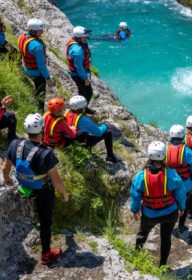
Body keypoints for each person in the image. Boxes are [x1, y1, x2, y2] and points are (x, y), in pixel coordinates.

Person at [2, 113, 69, 265]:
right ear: (42, 130)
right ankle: (46, 254)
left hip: (23, 185)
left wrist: (7, 178)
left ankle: (46, 251)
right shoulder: (46, 153)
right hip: (43, 192)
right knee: (45, 223)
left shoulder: (15, 144)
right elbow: (56, 180)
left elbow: (6, 167)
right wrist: (64, 193)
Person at [130, 141, 185, 267]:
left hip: (149, 215)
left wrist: (135, 211)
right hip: (170, 213)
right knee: (166, 239)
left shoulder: (140, 177)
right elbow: (180, 194)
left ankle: (135, 257)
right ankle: (163, 266)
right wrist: (181, 207)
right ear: (163, 156)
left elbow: (135, 196)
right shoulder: (172, 174)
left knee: (142, 234)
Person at [166, 124, 192, 233]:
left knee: (171, 204)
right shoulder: (188, 152)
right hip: (184, 184)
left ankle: (169, 224)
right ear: (183, 136)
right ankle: (181, 226)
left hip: (169, 184)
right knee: (185, 205)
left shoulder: (165, 149)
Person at [65, 95, 121, 163]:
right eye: (84, 107)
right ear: (80, 108)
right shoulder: (83, 119)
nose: (85, 108)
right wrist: (105, 125)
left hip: (69, 140)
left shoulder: (67, 113)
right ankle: (110, 156)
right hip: (80, 142)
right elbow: (99, 132)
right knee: (107, 132)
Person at [18, 19, 54, 111]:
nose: (42, 32)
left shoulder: (22, 37)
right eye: (40, 30)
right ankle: (39, 111)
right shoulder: (36, 46)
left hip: (27, 68)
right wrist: (48, 78)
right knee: (40, 94)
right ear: (34, 31)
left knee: (35, 90)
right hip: (37, 73)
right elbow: (41, 65)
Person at [66, 26, 95, 114]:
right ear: (79, 37)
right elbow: (78, 67)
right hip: (79, 75)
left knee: (82, 91)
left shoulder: (76, 42)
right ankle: (81, 110)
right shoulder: (77, 50)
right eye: (85, 36)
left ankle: (82, 107)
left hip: (77, 73)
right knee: (88, 93)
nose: (86, 37)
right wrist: (85, 79)